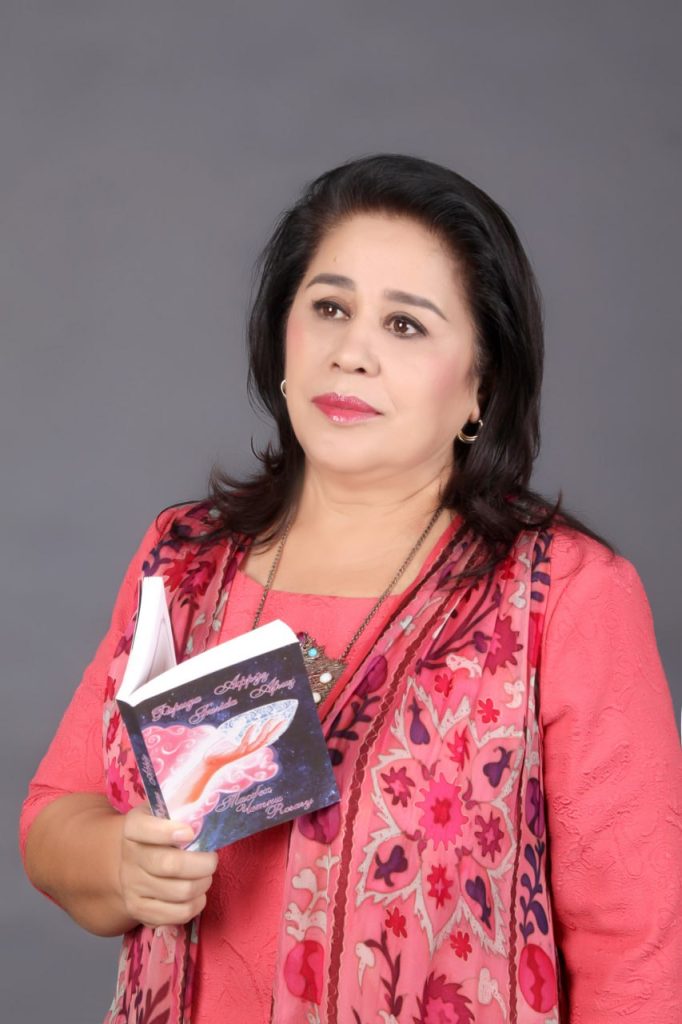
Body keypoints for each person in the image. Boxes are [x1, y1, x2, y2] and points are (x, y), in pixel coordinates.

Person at [20, 153, 681, 1024]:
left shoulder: (563, 596)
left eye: (405, 326)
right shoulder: (184, 560)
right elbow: (51, 816)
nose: (351, 353)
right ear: (281, 339)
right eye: (329, 308)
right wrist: (119, 864)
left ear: (480, 386)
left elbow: (637, 957)